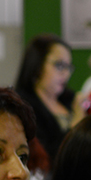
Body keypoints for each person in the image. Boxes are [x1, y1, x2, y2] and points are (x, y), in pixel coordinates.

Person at [13, 34, 75, 168]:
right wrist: (77, 124)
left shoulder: (71, 99)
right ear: (38, 64)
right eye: (59, 65)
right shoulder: (22, 105)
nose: (66, 73)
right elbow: (45, 155)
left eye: (68, 67)